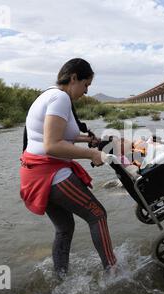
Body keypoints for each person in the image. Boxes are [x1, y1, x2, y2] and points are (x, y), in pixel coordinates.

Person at [20, 58, 116, 278]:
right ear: (73, 78)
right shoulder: (60, 98)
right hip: (50, 173)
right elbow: (52, 145)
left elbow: (56, 135)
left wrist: (87, 139)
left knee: (64, 228)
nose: (86, 91)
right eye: (86, 85)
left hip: (34, 173)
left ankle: (60, 277)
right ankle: (114, 272)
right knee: (97, 215)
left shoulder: (49, 95)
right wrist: (93, 154)